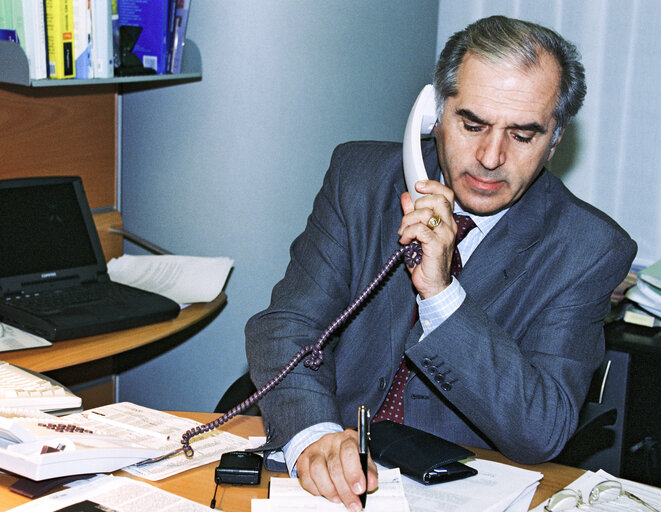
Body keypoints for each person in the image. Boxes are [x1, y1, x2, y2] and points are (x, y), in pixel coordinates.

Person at [245, 14, 637, 512]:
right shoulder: (360, 180)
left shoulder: (588, 247)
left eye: (523, 135)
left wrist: (442, 294)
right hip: (331, 475)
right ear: (432, 114)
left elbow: (542, 429)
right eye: (472, 124)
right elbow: (285, 325)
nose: (490, 157)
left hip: (465, 491)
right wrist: (313, 434)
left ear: (555, 139)